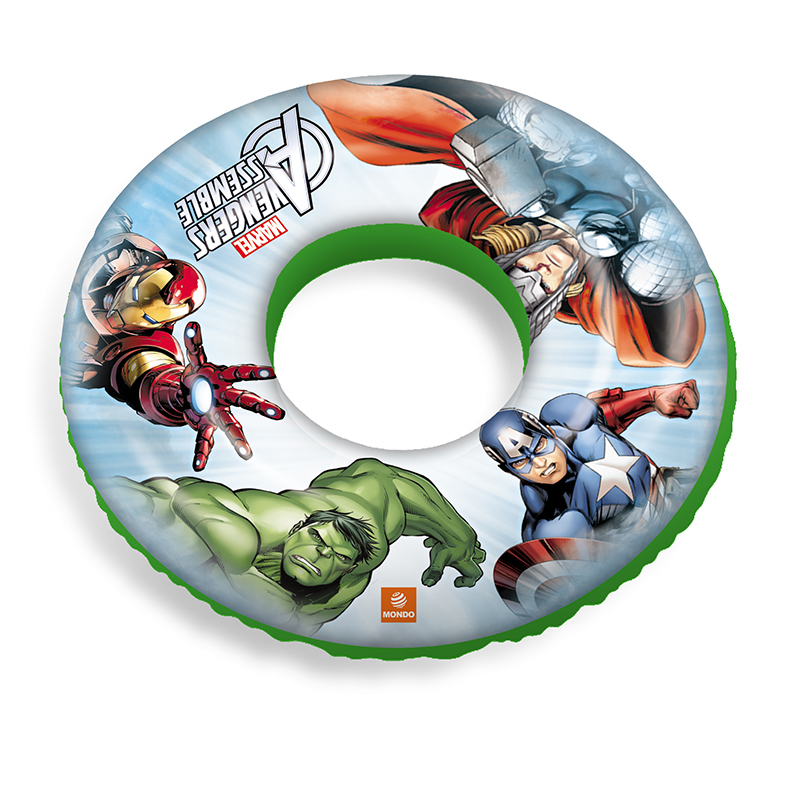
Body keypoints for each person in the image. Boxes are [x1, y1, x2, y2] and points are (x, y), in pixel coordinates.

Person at [307, 78, 706, 367]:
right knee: (655, 274)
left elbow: (452, 202)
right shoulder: (593, 289)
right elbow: (667, 347)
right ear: (554, 297)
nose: (543, 270)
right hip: (653, 195)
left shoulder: (497, 216)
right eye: (544, 286)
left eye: (524, 270)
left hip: (569, 132)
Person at [112, 458, 486, 635]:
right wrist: (237, 558)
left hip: (379, 492)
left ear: (349, 568)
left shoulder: (347, 585)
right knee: (164, 508)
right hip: (356, 489)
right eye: (318, 540)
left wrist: (460, 537)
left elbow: (294, 627)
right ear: (298, 529)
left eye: (337, 557)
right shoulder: (274, 518)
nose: (320, 555)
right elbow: (189, 493)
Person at [62, 208, 284, 471]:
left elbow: (149, 375)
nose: (123, 316)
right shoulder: (114, 246)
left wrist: (183, 395)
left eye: (148, 317)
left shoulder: (148, 343)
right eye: (137, 295)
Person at [479, 381, 700, 541]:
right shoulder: (540, 513)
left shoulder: (576, 429)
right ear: (510, 471)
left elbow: (600, 419)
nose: (539, 464)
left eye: (539, 447)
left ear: (551, 434)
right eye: (520, 463)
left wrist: (653, 397)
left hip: (671, 492)